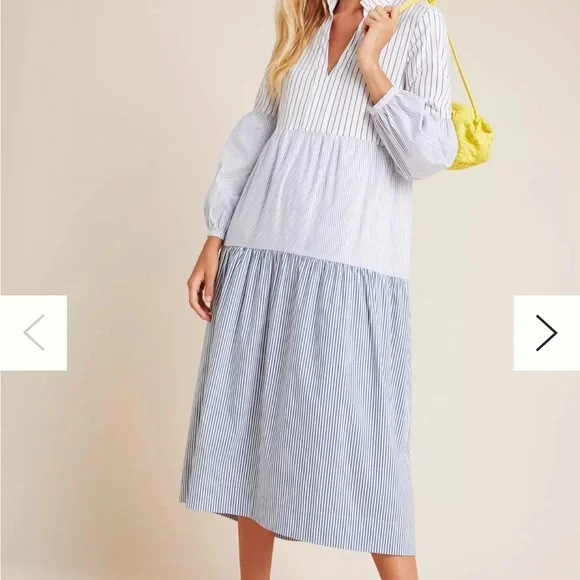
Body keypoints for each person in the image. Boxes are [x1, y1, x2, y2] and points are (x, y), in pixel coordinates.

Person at [181, 0, 458, 578]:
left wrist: (372, 64)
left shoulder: (416, 22)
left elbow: (430, 154)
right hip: (260, 258)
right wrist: (215, 235)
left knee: (371, 456)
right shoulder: (304, 21)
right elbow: (257, 132)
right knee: (253, 442)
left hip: (350, 270)